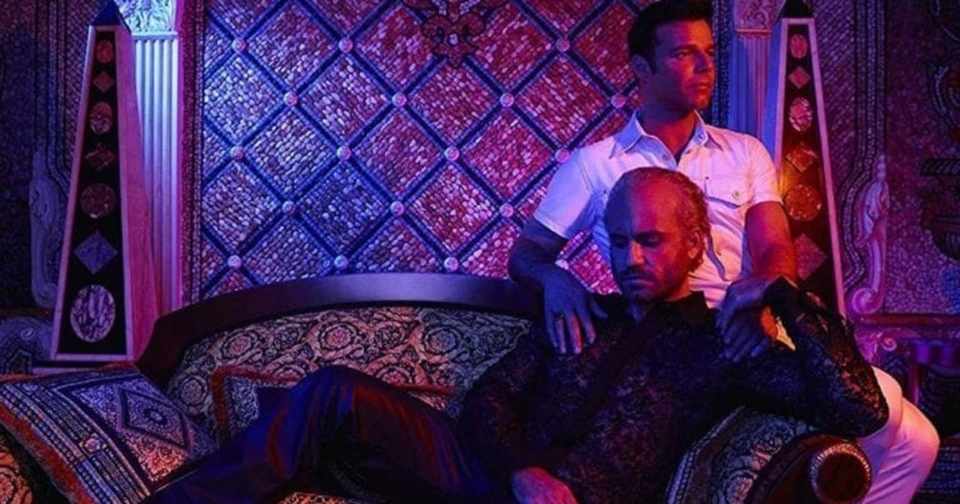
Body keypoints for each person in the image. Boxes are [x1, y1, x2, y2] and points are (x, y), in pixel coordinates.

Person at [147, 169, 887, 504]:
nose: (629, 258)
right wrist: (523, 470)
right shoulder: (581, 314)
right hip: (490, 472)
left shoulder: (721, 346)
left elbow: (857, 408)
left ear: (694, 245)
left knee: (316, 444)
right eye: (618, 241)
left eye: (650, 241)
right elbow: (491, 399)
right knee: (329, 393)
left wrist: (783, 293)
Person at [506, 1, 939, 500]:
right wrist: (556, 278)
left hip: (747, 324)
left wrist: (762, 301)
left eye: (709, 53)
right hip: (670, 336)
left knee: (920, 441)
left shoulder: (745, 151)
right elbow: (526, 255)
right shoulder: (594, 164)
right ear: (642, 68)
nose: (704, 66)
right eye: (684, 54)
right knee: (887, 402)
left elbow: (774, 247)